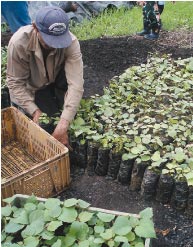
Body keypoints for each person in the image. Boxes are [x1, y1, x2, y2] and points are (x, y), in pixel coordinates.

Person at [6, 6, 84, 148]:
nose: (55, 45)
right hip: (33, 85)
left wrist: (64, 122)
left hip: (55, 78)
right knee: (41, 127)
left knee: (61, 117)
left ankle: (58, 99)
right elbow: (15, 83)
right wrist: (34, 111)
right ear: (35, 28)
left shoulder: (71, 42)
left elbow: (76, 84)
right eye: (50, 40)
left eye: (59, 39)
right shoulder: (19, 42)